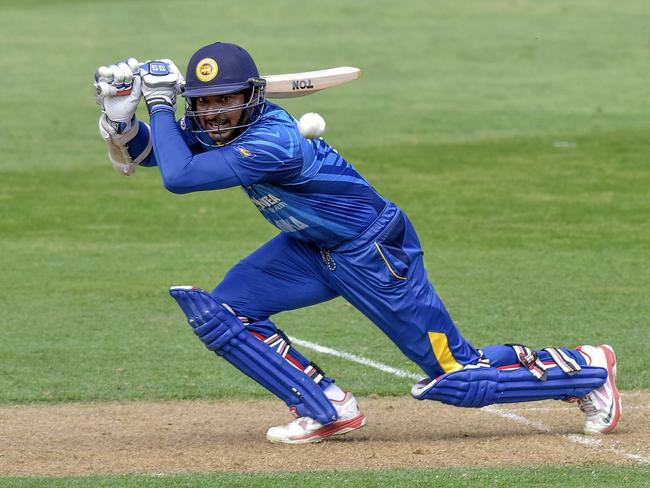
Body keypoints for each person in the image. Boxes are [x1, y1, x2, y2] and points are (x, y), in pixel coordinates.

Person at [94, 42, 621, 444]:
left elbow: (180, 179)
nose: (213, 114)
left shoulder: (274, 140)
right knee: (225, 313)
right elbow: (159, 155)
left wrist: (160, 104)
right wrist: (122, 116)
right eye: (203, 103)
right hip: (307, 248)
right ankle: (325, 407)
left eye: (226, 101)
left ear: (252, 97)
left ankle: (586, 368)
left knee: (457, 380)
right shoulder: (214, 127)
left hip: (372, 254)